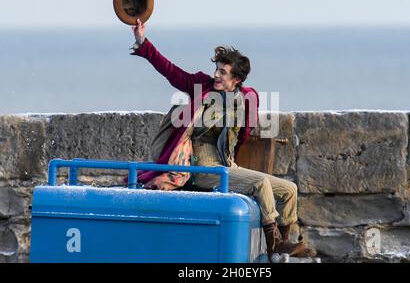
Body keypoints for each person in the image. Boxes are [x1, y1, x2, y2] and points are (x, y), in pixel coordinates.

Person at [130, 19, 316, 260]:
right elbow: (171, 71)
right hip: (202, 167)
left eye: (222, 72)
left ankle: (285, 242)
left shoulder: (247, 99)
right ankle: (273, 247)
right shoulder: (201, 86)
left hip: (226, 166)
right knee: (260, 184)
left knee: (290, 189)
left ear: (236, 79)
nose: (216, 75)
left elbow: (244, 134)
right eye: (216, 69)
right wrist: (142, 41)